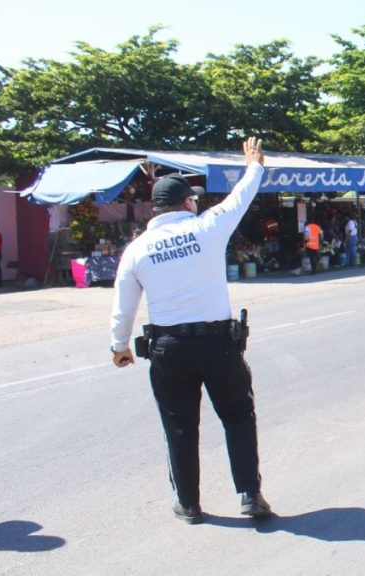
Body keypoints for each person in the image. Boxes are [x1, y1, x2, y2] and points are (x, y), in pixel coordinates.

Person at [109, 137, 273, 525]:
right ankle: (250, 495)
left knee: (180, 426)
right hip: (218, 344)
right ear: (186, 203)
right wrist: (255, 165)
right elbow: (241, 197)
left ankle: (189, 504)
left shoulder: (137, 249)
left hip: (169, 348)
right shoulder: (208, 228)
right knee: (237, 416)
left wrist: (119, 346)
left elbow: (124, 303)